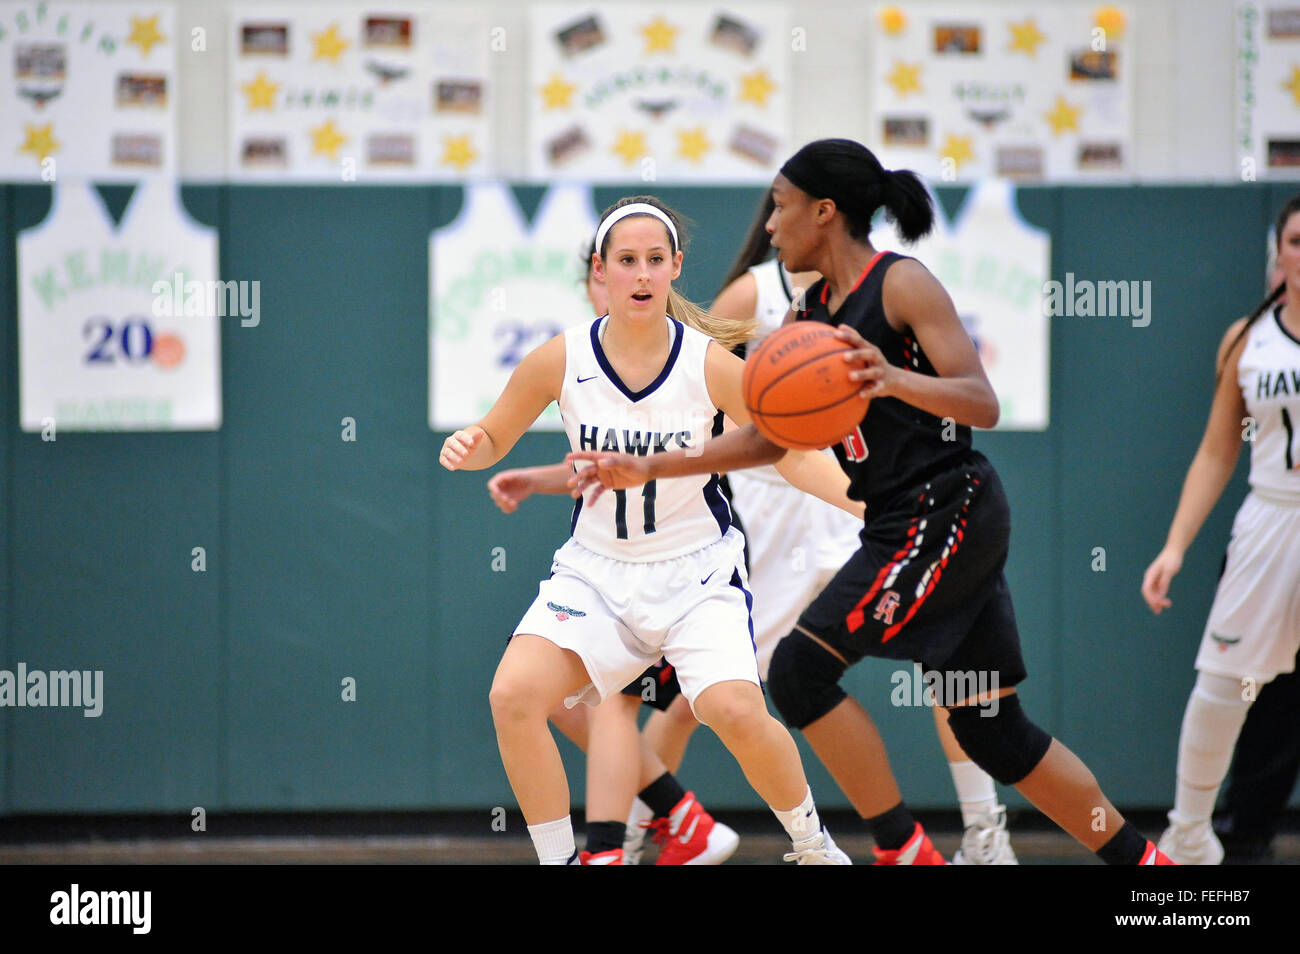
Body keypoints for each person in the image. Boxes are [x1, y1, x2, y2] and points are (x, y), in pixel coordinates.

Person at [569, 139, 1174, 865]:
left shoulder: (901, 285)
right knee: (992, 727)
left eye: (783, 208)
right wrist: (655, 465)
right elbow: (767, 442)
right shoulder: (807, 312)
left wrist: (891, 377)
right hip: (900, 518)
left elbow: (980, 401)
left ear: (824, 213)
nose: (769, 225)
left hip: (946, 508)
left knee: (797, 672)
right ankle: (1151, 869)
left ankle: (899, 847)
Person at [441, 194, 861, 865]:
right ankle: (564, 860)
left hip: (696, 573)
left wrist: (868, 503)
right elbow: (496, 434)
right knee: (514, 695)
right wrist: (474, 443)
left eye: (654, 261)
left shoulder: (712, 364)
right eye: (627, 261)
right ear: (601, 272)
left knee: (736, 712)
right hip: (597, 572)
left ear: (675, 269)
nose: (641, 274)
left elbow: (795, 451)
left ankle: (813, 846)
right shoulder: (561, 358)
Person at [486, 241, 740, 866]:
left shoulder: (690, 360)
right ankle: (677, 818)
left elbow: (710, 455)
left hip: (689, 562)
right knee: (572, 703)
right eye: (620, 269)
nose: (630, 286)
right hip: (614, 563)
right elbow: (607, 467)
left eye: (648, 265)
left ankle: (613, 847)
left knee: (617, 709)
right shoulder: (586, 358)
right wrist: (540, 478)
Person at [1141, 193, 1300, 865]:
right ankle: (1190, 835)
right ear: (1278, 252)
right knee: (1224, 680)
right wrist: (1174, 547)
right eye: (1296, 240)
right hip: (1270, 517)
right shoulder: (1245, 338)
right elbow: (1216, 450)